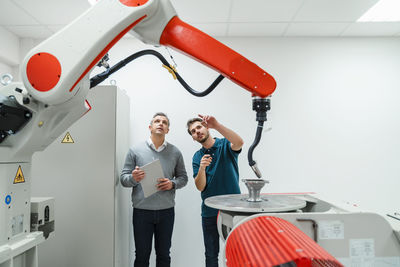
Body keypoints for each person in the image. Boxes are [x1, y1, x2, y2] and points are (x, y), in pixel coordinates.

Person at [121, 112, 188, 267]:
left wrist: (172, 184)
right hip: (142, 211)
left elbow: (183, 178)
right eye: (157, 121)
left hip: (166, 212)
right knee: (142, 255)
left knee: (164, 255)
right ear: (150, 127)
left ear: (167, 130)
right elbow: (123, 179)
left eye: (164, 122)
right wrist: (134, 178)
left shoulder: (175, 152)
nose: (161, 124)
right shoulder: (135, 150)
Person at [186, 114, 244, 267]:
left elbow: (239, 142)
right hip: (209, 213)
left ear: (206, 127)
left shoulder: (226, 144)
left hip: (232, 210)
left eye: (199, 127)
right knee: (211, 254)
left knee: (236, 251)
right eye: (193, 131)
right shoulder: (197, 157)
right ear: (193, 138)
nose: (197, 131)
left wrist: (216, 124)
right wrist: (202, 168)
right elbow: (200, 186)